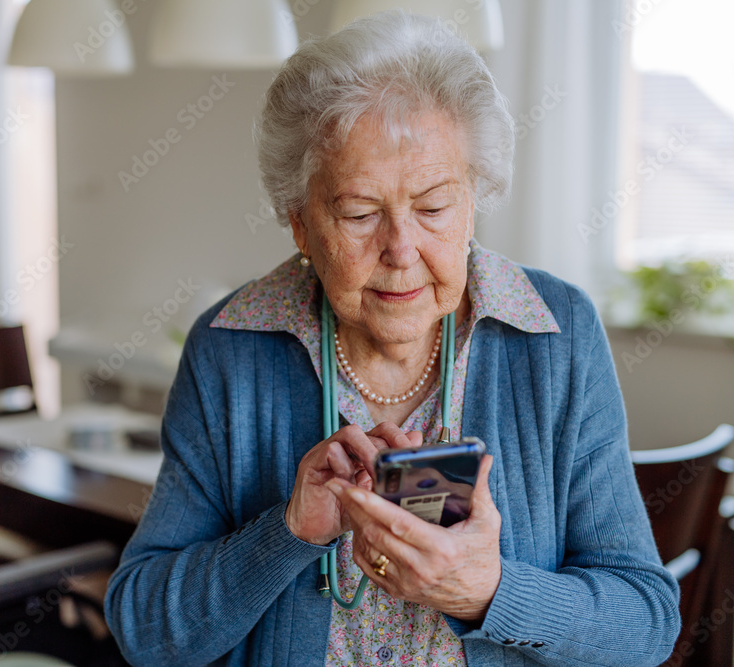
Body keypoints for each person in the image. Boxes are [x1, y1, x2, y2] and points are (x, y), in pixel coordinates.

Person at [105, 11, 680, 666]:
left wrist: (489, 591)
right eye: (358, 212)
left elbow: (646, 623)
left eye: (434, 206)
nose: (401, 249)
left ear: (474, 199)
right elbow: (145, 631)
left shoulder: (556, 332)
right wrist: (287, 532)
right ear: (299, 222)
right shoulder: (231, 348)